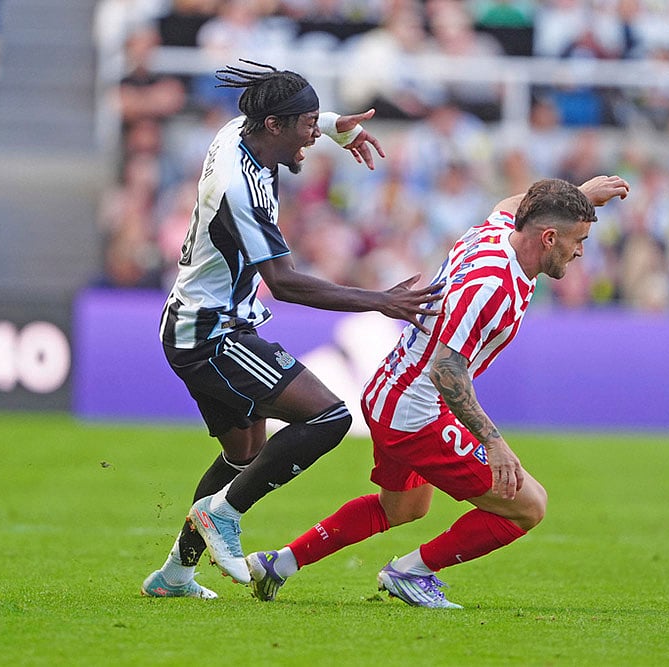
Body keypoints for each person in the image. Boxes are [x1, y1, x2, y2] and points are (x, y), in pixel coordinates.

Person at [243, 173, 630, 608]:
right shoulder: (492, 285)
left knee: (404, 508)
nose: (580, 252)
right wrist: (493, 442)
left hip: (389, 390)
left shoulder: (499, 231)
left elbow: (514, 203)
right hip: (416, 410)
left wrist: (579, 196)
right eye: (578, 240)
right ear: (548, 238)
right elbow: (447, 368)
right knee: (529, 505)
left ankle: (278, 564)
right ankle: (410, 573)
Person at [141, 60, 443, 599]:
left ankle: (175, 576)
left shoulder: (240, 131)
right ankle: (224, 513)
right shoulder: (240, 188)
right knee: (328, 416)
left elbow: (294, 125)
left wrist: (333, 126)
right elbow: (282, 283)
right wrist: (380, 301)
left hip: (199, 321)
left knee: (244, 455)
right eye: (306, 125)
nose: (311, 137)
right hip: (211, 335)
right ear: (274, 125)